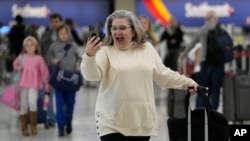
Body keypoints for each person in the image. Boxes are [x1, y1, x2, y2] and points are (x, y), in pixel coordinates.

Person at [80, 10, 198, 141]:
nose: (117, 32)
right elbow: (92, 76)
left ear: (134, 31)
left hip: (141, 122)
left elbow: (163, 75)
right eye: (114, 28)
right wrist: (90, 56)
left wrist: (187, 83)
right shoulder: (106, 50)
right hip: (111, 122)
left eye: (122, 28)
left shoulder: (146, 48)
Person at [183, 10, 223, 110]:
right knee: (216, 90)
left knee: (203, 90)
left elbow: (191, 44)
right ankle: (214, 113)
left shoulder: (202, 30)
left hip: (205, 63)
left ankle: (200, 112)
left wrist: (183, 54)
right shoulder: (220, 30)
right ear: (214, 18)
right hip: (218, 64)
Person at [46, 24, 82, 137]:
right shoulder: (53, 46)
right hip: (59, 79)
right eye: (61, 33)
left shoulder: (73, 46)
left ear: (69, 34)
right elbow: (47, 60)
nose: (64, 35)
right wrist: (53, 61)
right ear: (57, 34)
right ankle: (61, 127)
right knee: (59, 104)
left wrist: (78, 63)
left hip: (71, 78)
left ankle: (69, 121)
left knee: (70, 103)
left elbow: (79, 58)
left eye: (65, 33)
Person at [13, 36, 50, 136]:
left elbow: (44, 72)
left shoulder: (39, 59)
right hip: (22, 85)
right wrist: (18, 68)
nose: (29, 47)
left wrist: (46, 84)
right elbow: (15, 65)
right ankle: (24, 128)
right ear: (24, 47)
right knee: (23, 105)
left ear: (36, 46)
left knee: (33, 103)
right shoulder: (21, 57)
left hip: (34, 85)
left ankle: (33, 125)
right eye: (27, 45)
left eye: (32, 45)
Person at [40, 13, 63, 128]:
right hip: (47, 70)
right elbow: (41, 51)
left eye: (56, 22)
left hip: (62, 71)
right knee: (47, 95)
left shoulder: (65, 35)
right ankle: (50, 119)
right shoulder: (45, 35)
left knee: (62, 96)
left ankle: (61, 118)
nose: (54, 24)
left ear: (60, 22)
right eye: (52, 22)